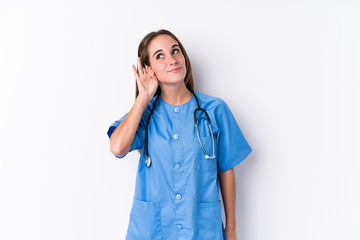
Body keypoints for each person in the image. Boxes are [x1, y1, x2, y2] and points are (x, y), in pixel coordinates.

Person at [107, 29, 252, 240]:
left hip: (201, 229)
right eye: (160, 56)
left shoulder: (214, 110)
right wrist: (143, 98)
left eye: (175, 51)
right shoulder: (144, 114)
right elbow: (117, 147)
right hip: (152, 230)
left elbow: (227, 170)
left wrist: (230, 229)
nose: (172, 60)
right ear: (148, 69)